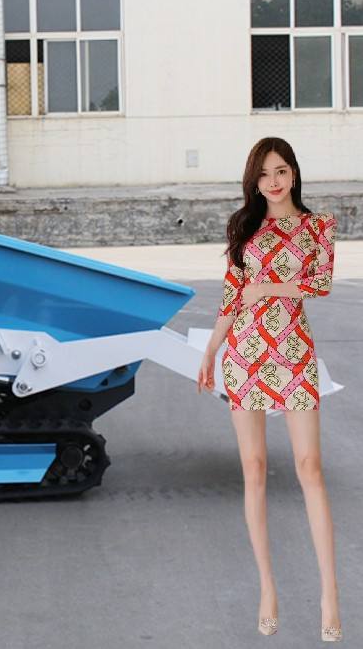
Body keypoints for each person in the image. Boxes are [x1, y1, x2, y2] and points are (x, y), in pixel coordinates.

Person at [196, 137, 342, 642]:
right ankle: (267, 589)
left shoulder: (317, 226)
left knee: (310, 467)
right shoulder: (243, 227)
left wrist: (271, 288)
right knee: (254, 469)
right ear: (254, 182)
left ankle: (329, 594)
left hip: (294, 352)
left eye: (280, 171)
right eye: (263, 174)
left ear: (293, 173)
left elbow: (321, 283)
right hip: (245, 354)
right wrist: (211, 350)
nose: (273, 181)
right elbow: (231, 295)